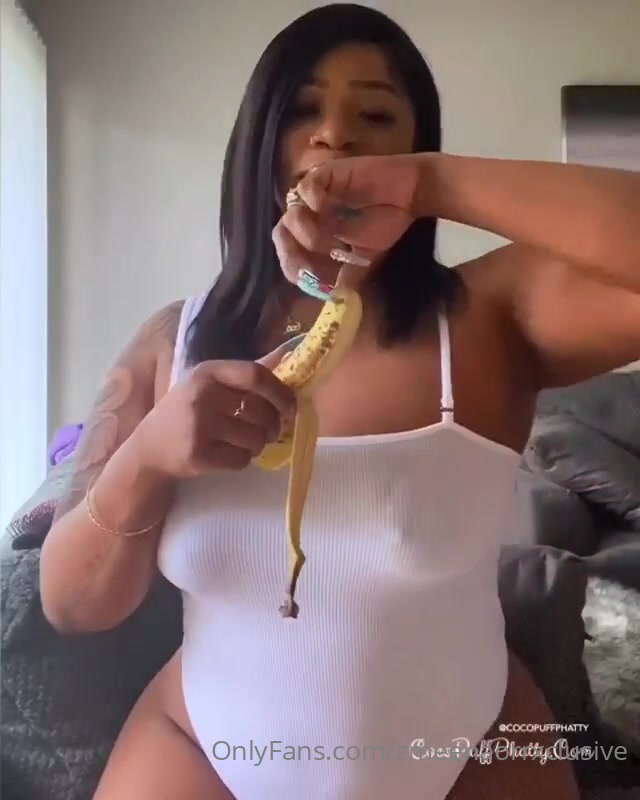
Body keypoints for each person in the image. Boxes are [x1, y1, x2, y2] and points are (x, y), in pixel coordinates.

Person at [39, 3, 640, 799]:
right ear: (259, 145)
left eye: (377, 116)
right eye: (302, 111)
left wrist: (434, 183)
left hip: (471, 752)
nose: (335, 136)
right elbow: (74, 607)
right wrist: (146, 457)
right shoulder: (170, 342)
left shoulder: (487, 322)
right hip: (200, 752)